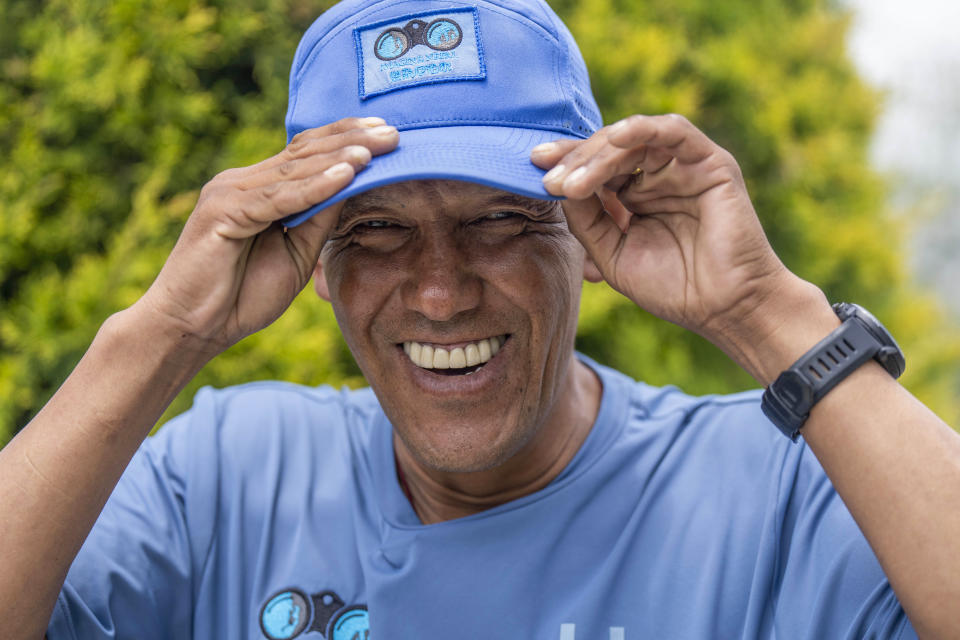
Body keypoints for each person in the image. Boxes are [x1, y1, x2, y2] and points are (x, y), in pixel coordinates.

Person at [1, 0, 959, 638]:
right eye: (375, 231)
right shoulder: (226, 476)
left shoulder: (778, 492)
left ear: (590, 235)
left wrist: (769, 314)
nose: (440, 291)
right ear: (315, 266)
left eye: (499, 219)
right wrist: (165, 331)